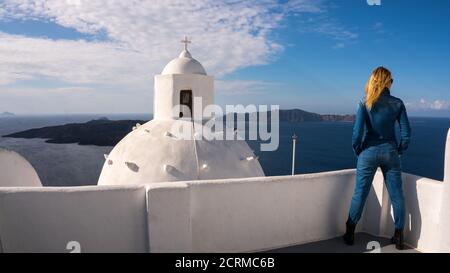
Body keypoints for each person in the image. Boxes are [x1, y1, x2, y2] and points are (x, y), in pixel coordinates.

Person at [343, 66, 411, 250]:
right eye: (392, 80)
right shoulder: (398, 103)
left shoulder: (365, 102)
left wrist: (358, 150)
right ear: (387, 81)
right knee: (397, 196)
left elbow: (357, 133)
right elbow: (406, 134)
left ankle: (350, 232)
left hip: (368, 152)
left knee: (360, 193)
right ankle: (399, 236)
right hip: (391, 152)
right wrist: (399, 149)